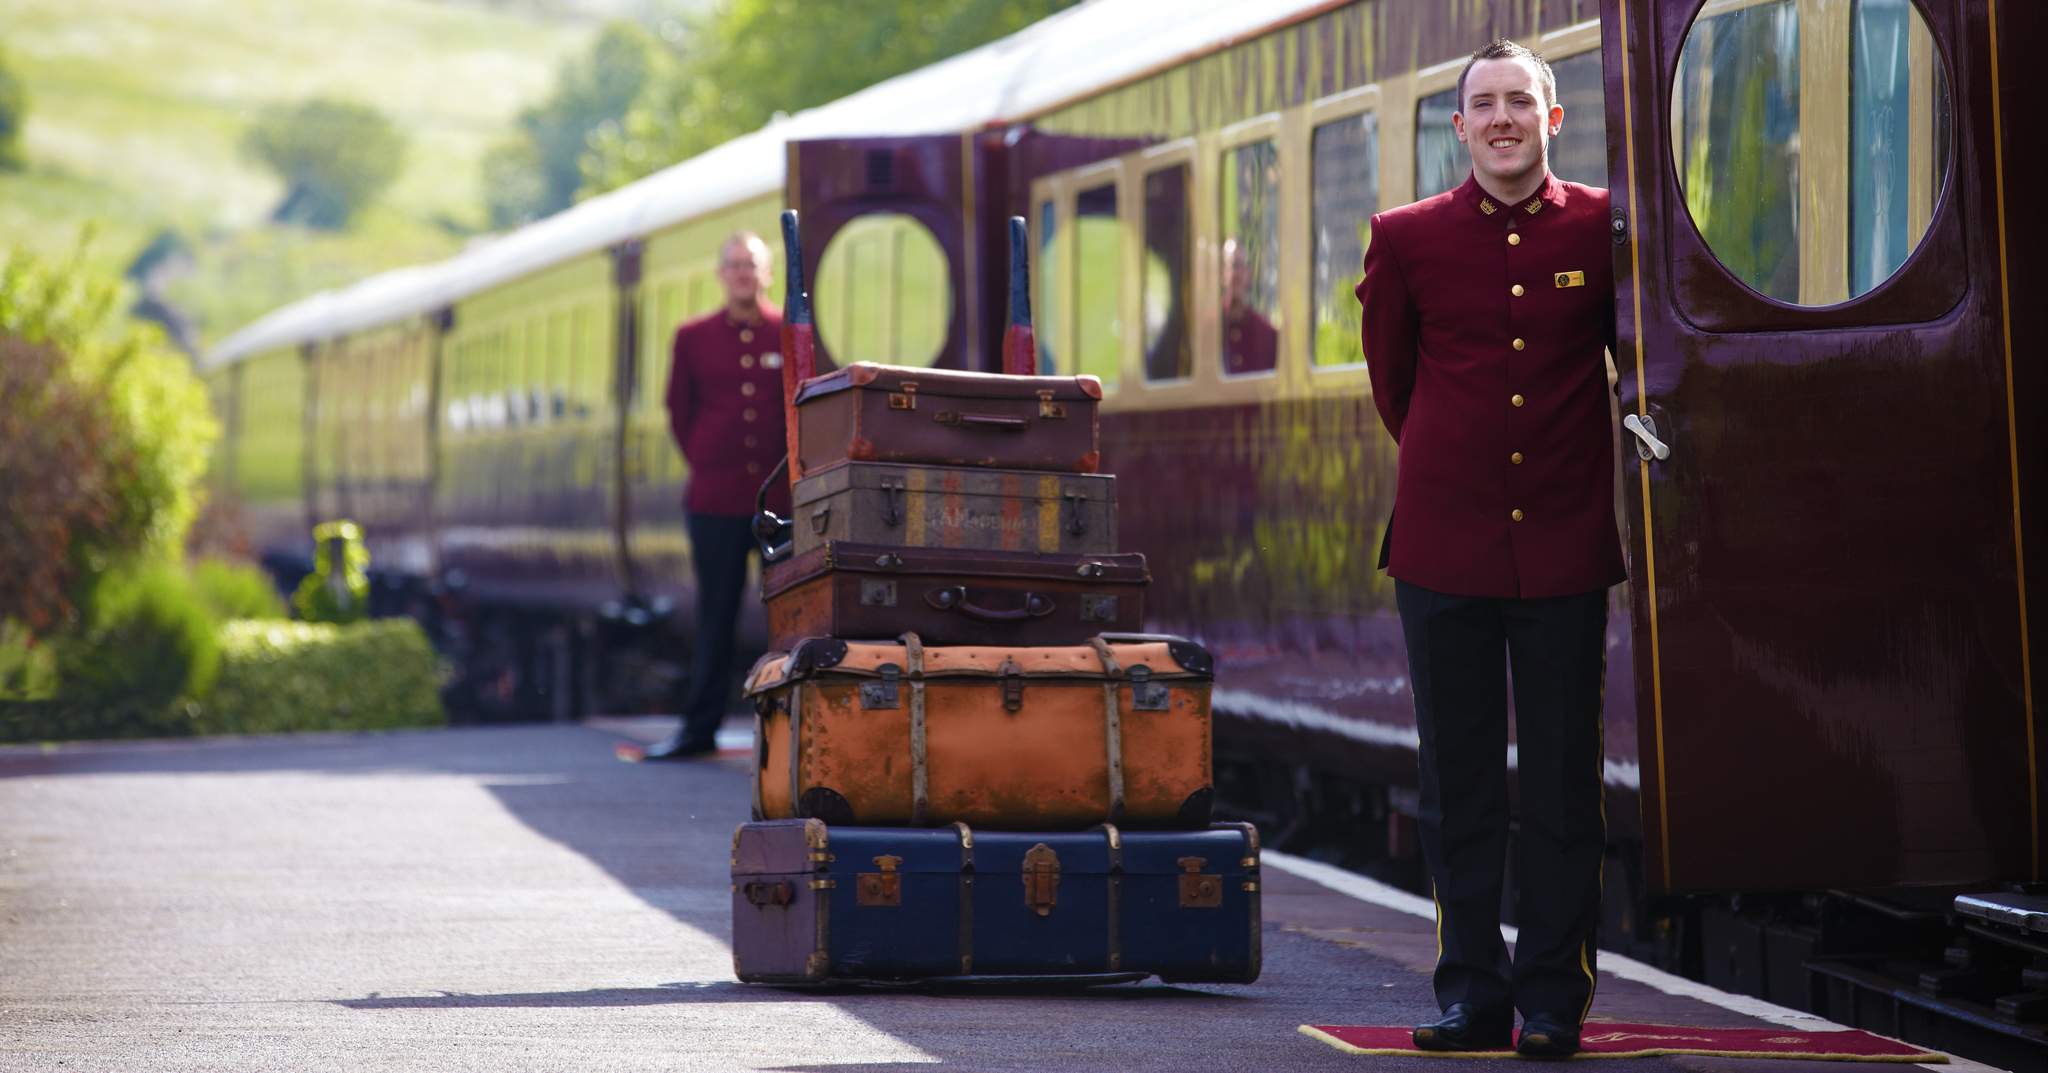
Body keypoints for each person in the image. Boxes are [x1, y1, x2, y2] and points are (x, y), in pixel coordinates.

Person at [1355, 38, 1625, 1058]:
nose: (1503, 118)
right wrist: (1453, 464)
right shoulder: (1406, 237)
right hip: (1440, 545)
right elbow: (1394, 383)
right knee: (1456, 784)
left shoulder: (1603, 227)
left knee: (1560, 785)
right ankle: (1472, 993)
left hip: (1560, 546)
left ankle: (1552, 999)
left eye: (1521, 101)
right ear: (1458, 127)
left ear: (1552, 121)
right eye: (1484, 105)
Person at [645, 231, 788, 760]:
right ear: (720, 275)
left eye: (751, 265)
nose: (743, 274)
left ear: (767, 274)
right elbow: (681, 413)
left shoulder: (788, 334)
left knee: (790, 619)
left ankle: (792, 733)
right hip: (717, 499)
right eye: (733, 265)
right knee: (717, 616)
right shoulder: (694, 337)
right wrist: (711, 461)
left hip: (779, 501)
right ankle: (698, 728)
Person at [1221, 237, 1278, 375]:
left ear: (1249, 273)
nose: (1237, 274)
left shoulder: (1267, 334)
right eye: (1232, 266)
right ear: (1221, 273)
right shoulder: (1207, 330)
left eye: (1241, 266)